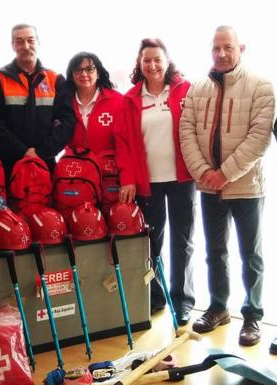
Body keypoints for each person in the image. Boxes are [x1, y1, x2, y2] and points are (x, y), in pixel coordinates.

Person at [179, 25, 275, 346]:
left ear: (240, 49)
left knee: (251, 255)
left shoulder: (262, 86)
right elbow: (187, 131)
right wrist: (203, 171)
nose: (221, 54)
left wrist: (225, 173)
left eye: (228, 48)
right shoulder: (197, 88)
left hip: (247, 188)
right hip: (208, 188)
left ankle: (252, 316)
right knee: (215, 252)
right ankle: (218, 307)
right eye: (216, 48)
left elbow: (258, 140)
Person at [115, 38, 195, 326]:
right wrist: (128, 179)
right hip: (148, 182)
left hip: (182, 179)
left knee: (183, 241)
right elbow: (122, 143)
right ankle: (156, 296)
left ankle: (183, 301)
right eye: (146, 60)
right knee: (153, 243)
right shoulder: (130, 99)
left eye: (157, 59)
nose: (152, 65)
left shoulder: (185, 91)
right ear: (139, 63)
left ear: (167, 60)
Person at [0, 23, 74, 173]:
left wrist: (41, 153)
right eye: (19, 41)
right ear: (12, 45)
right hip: (7, 166)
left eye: (30, 40)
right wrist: (22, 151)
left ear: (38, 42)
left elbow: (67, 122)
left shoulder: (55, 79)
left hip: (45, 164)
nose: (25, 46)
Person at [66, 52, 123, 154]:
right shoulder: (65, 103)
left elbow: (126, 141)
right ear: (71, 75)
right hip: (76, 166)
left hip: (108, 167)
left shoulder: (118, 101)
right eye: (78, 70)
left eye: (89, 69)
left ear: (98, 73)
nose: (84, 74)